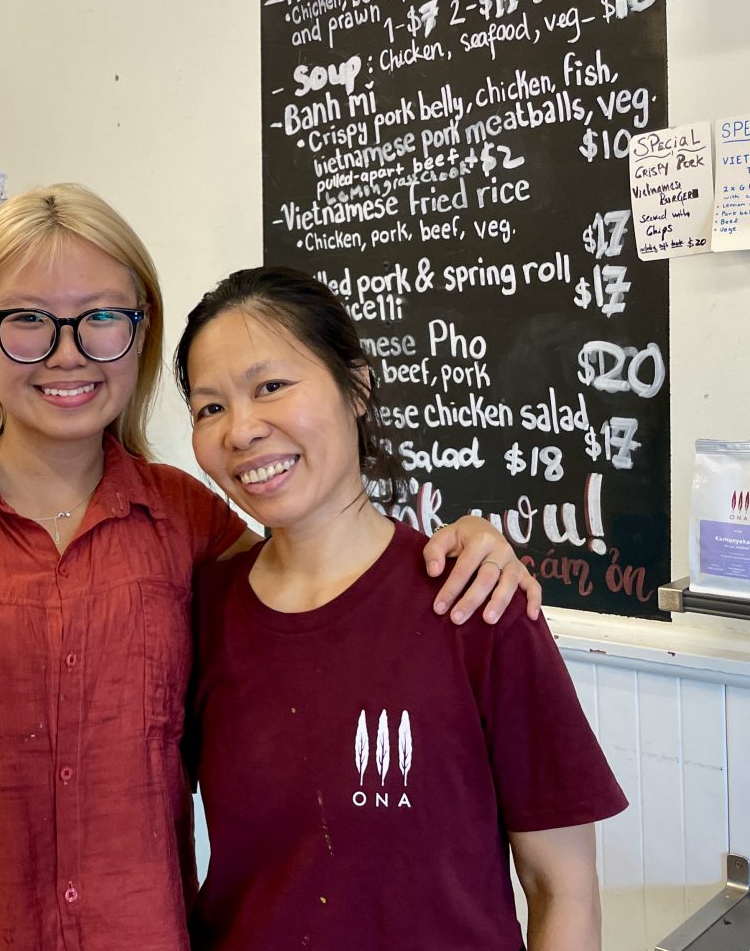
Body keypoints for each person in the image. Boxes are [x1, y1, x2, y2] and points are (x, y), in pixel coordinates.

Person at [0, 185, 540, 951]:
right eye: (27, 321)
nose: (68, 352)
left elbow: (327, 575)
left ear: (140, 332)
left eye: (102, 317)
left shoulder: (192, 525)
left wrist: (466, 540)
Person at [175, 265, 627, 951]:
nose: (240, 431)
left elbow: (561, 888)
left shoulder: (475, 599)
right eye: (210, 408)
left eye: (271, 386)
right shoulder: (200, 613)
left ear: (356, 387)